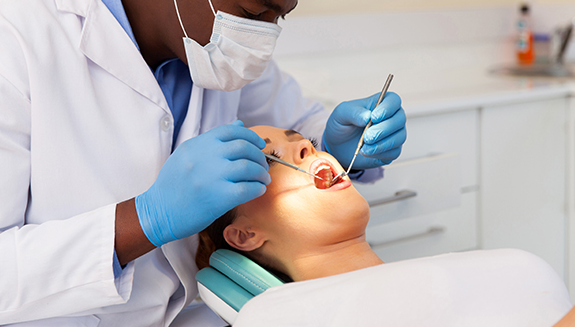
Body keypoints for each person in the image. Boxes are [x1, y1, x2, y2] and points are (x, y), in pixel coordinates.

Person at [0, 0, 407, 326]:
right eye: (255, 14)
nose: (264, 37)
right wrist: (144, 221)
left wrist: (340, 143)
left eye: (279, 17)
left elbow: (291, 127)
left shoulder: (214, 44)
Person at [197, 125, 575, 327]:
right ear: (245, 235)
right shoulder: (275, 316)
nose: (308, 150)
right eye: (273, 159)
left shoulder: (432, 277)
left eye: (308, 143)